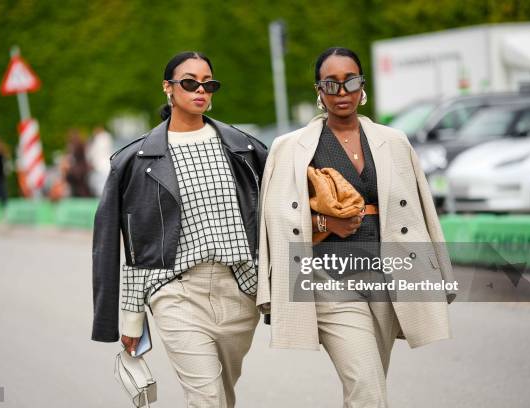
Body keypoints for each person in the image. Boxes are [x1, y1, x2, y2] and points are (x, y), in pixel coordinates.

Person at [256, 47, 457, 407]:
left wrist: (439, 273)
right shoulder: (289, 148)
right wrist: (323, 220)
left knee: (370, 386)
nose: (342, 91)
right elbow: (274, 219)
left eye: (350, 81)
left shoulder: (394, 141)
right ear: (319, 90)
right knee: (365, 383)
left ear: (362, 85)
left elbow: (422, 211)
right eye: (331, 84)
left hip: (387, 275)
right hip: (327, 280)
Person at [92, 51, 268, 407]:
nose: (200, 90)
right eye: (189, 82)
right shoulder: (136, 160)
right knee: (205, 398)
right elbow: (129, 244)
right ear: (168, 88)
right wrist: (130, 317)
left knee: (223, 395)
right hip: (175, 292)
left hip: (240, 289)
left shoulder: (243, 149)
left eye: (209, 84)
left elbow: (276, 220)